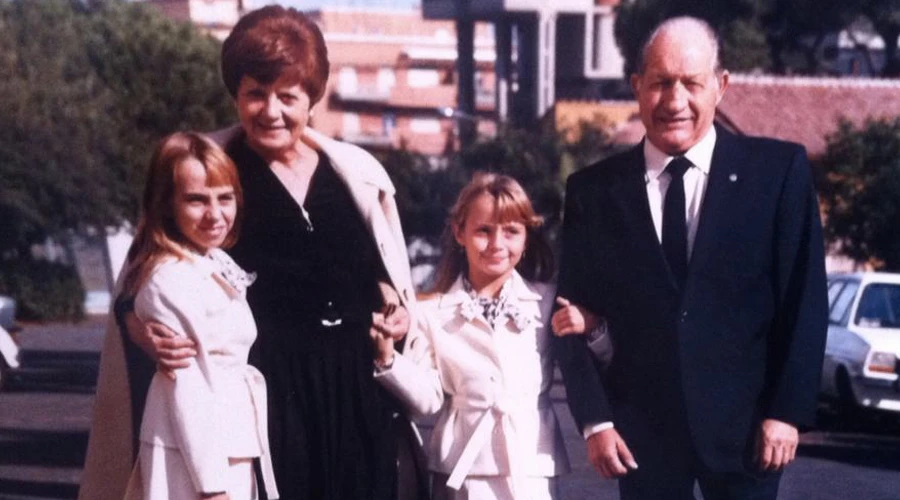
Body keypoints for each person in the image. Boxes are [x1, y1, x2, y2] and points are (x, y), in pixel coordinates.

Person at [80, 6, 424, 500]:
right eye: (255, 94)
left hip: (355, 401)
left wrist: (397, 314)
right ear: (235, 95)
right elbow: (139, 282)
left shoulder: (355, 174)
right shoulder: (208, 169)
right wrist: (142, 328)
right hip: (264, 406)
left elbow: (383, 274)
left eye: (287, 96)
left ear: (312, 99)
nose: (271, 110)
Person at [552, 16, 828, 500]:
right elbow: (568, 319)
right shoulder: (592, 193)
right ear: (637, 87)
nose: (675, 101)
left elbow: (804, 302)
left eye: (691, 83)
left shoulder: (778, 174)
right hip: (640, 438)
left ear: (721, 86)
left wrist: (786, 412)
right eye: (660, 83)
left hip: (748, 437)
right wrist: (595, 421)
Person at [374, 173, 572, 500]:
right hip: (464, 468)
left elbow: (592, 362)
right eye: (484, 230)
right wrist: (388, 359)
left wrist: (592, 327)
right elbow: (427, 400)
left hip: (531, 464)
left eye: (511, 232)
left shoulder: (549, 301)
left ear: (525, 239)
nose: (497, 244)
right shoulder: (432, 312)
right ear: (459, 232)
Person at [116, 132, 278, 500]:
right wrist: (212, 487)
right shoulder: (171, 277)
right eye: (196, 200)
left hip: (229, 442)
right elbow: (187, 388)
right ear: (166, 205)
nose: (215, 215)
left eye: (225, 199)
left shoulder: (212, 261)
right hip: (195, 454)